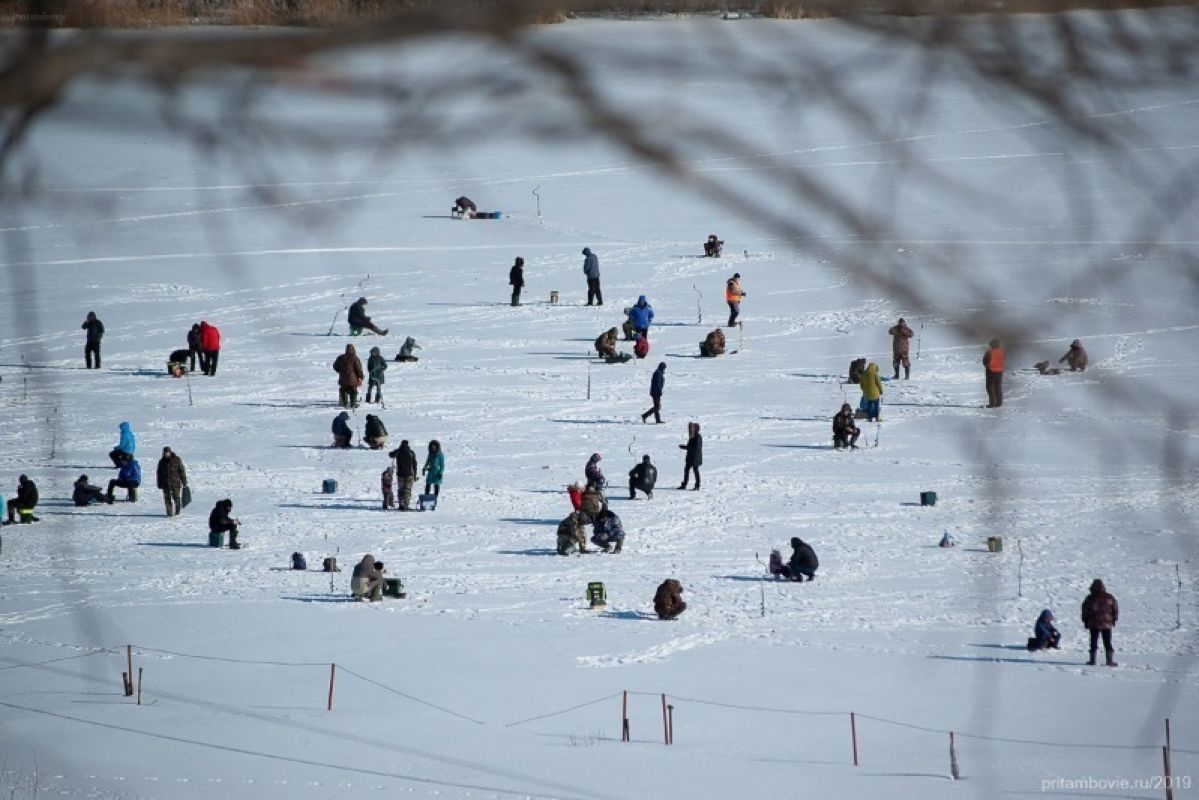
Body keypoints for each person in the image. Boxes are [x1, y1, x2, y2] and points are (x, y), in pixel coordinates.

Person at [1081, 579, 1118, 666]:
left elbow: (1085, 610)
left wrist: (1085, 620)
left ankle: (1092, 660)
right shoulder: (1109, 597)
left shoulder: (1090, 598)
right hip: (1107, 623)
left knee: (1093, 641)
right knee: (1107, 642)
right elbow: (1115, 609)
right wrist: (1113, 619)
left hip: (1093, 624)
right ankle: (1109, 660)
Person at [155, 446, 188, 517]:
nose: (166, 454)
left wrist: (184, 481)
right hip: (165, 483)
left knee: (176, 498)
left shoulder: (177, 460)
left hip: (175, 483)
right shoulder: (161, 462)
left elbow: (182, 471)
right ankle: (169, 513)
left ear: (170, 452)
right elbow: (159, 473)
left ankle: (177, 512)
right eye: (165, 453)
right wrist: (159, 483)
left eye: (167, 453)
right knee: (167, 499)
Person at [388, 439, 419, 510]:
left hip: (400, 474)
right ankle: (406, 505)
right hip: (409, 475)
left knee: (401, 490)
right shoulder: (411, 452)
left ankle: (401, 505)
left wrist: (397, 450)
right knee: (407, 490)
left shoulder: (398, 451)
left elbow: (390, 455)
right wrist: (415, 475)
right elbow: (415, 464)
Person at [333, 343, 364, 408]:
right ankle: (353, 404)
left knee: (344, 390)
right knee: (353, 390)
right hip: (353, 379)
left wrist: (340, 371)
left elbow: (335, 366)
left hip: (343, 378)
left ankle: (345, 403)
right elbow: (358, 369)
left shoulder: (341, 358)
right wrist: (361, 376)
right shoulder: (355, 358)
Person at [679, 421, 703, 490]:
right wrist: (684, 447)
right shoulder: (692, 437)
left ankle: (697, 485)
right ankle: (684, 484)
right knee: (686, 470)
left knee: (695, 470)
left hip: (695, 458)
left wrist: (685, 447)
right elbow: (690, 446)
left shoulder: (698, 437)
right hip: (690, 457)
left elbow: (695, 448)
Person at [983, 338, 1005, 408]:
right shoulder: (1002, 351)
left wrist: (988, 366)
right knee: (998, 387)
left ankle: (992, 403)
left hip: (991, 372)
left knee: (990, 388)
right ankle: (999, 403)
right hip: (1000, 371)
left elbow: (984, 361)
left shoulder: (989, 352)